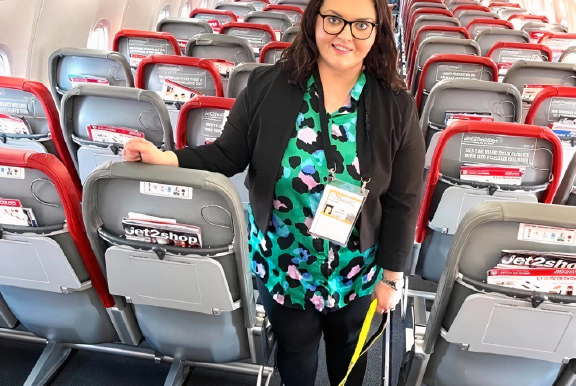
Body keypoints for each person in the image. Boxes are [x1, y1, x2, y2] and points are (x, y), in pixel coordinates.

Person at [122, 0, 425, 384]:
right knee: (295, 355)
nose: (345, 34)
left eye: (361, 25)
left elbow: (403, 198)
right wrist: (165, 159)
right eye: (334, 19)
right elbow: (227, 154)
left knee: (348, 355)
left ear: (377, 30)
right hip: (283, 264)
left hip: (356, 268)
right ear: (314, 20)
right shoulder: (268, 87)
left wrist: (391, 277)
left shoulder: (395, 105)